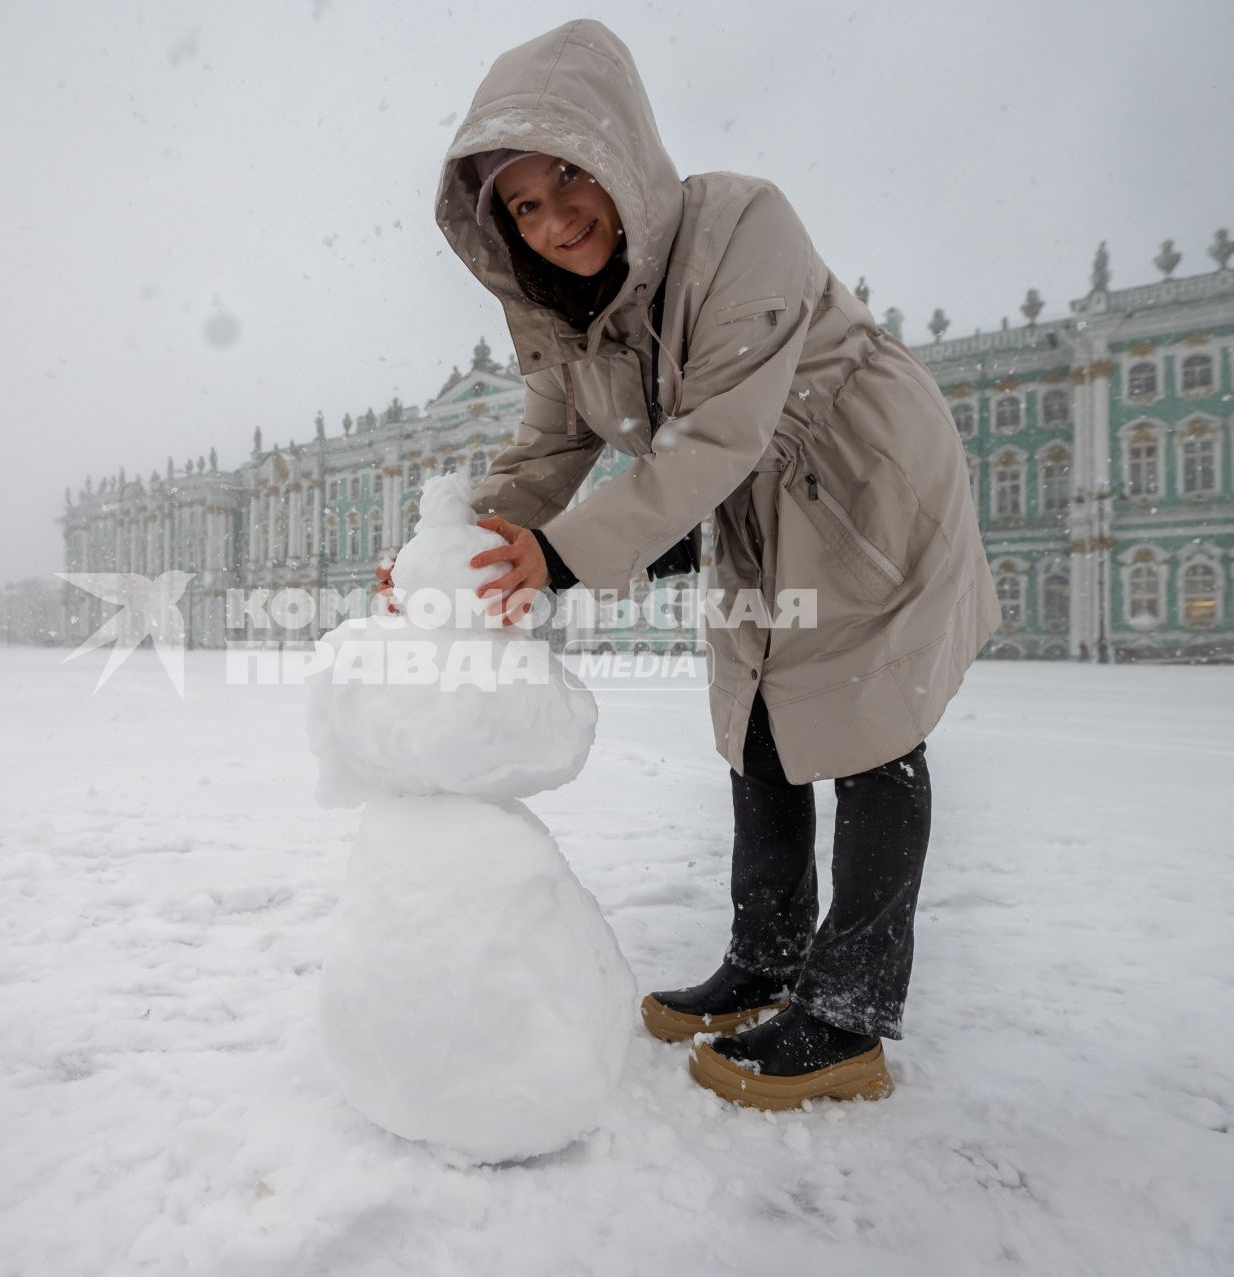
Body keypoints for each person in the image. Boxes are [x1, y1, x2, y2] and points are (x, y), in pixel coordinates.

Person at [403, 18, 1001, 1110]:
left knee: (876, 728)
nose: (554, 220)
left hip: (863, 479)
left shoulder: (743, 224)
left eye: (569, 176)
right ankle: (767, 956)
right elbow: (550, 446)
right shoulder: (557, 316)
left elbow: (720, 428)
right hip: (748, 501)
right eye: (523, 206)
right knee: (758, 714)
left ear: (621, 149)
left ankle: (852, 1016)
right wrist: (452, 549)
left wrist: (562, 556)